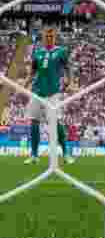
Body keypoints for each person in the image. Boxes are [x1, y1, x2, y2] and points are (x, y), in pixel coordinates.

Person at [22, 27, 74, 165]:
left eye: (51, 36)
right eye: (47, 36)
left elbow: (68, 67)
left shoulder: (61, 51)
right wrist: (25, 84)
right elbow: (32, 72)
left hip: (53, 93)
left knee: (56, 123)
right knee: (34, 121)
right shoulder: (38, 52)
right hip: (37, 91)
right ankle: (34, 155)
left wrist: (70, 81)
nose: (49, 38)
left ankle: (66, 154)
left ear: (54, 37)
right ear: (43, 37)